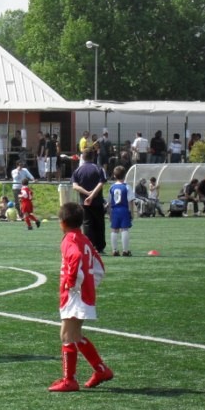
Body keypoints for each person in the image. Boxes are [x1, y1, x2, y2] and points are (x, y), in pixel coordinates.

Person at [49, 202, 112, 392]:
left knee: (67, 335)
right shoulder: (84, 240)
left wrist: (72, 284)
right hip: (83, 294)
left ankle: (69, 380)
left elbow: (75, 258)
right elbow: (99, 267)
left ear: (62, 222)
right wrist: (90, 286)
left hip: (75, 295)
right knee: (74, 335)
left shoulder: (70, 240)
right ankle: (101, 370)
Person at [71, 148, 106, 254]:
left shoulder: (78, 170)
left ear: (83, 157)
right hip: (97, 201)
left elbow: (75, 186)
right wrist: (92, 194)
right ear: (93, 157)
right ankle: (100, 247)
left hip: (84, 202)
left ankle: (89, 246)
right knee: (99, 224)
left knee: (87, 224)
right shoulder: (98, 169)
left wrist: (86, 193)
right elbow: (101, 183)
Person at [108, 166, 133, 256]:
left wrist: (109, 213)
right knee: (124, 229)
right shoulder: (127, 187)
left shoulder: (112, 187)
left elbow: (109, 202)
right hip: (124, 209)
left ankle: (114, 250)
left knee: (114, 229)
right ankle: (125, 251)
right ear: (125, 175)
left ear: (114, 176)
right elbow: (130, 201)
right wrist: (131, 212)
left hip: (115, 210)